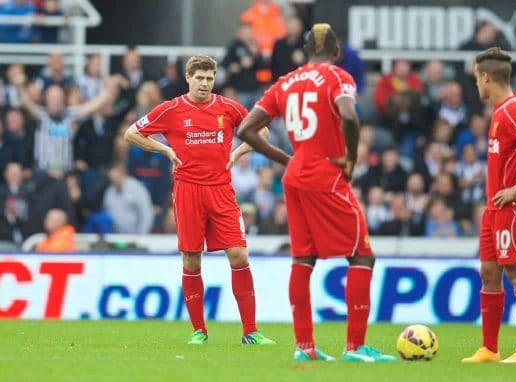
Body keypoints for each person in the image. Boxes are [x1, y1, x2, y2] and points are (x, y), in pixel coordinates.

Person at [237, 23, 396, 363]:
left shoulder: (285, 82)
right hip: (326, 173)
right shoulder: (338, 77)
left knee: (303, 258)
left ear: (305, 51)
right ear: (337, 52)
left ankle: (304, 347)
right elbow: (350, 116)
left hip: (295, 177)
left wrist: (285, 159)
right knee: (362, 255)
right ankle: (354, 348)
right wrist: (351, 159)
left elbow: (246, 129)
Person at [123, 54, 274, 346]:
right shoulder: (171, 109)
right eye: (200, 78)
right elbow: (132, 133)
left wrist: (236, 153)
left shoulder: (228, 107)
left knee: (239, 254)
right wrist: (165, 150)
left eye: (209, 78)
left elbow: (262, 129)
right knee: (192, 259)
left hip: (221, 190)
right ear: (188, 78)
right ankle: (199, 331)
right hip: (187, 190)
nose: (205, 83)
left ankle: (251, 331)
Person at [461, 47, 516, 364]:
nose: (476, 85)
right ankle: (489, 348)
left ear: (486, 77)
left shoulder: (513, 110)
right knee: (488, 272)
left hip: (514, 206)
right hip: (494, 207)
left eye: (476, 79)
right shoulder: (500, 112)